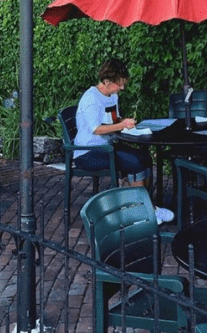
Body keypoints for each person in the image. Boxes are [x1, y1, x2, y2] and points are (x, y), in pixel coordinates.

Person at [74, 57, 174, 225]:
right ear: (106, 81)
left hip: (108, 145)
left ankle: (146, 207)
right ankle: (141, 212)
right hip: (87, 151)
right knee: (134, 162)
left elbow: (113, 119)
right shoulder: (91, 98)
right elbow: (96, 129)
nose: (122, 87)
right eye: (119, 84)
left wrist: (123, 121)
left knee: (144, 158)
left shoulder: (112, 96)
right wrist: (121, 125)